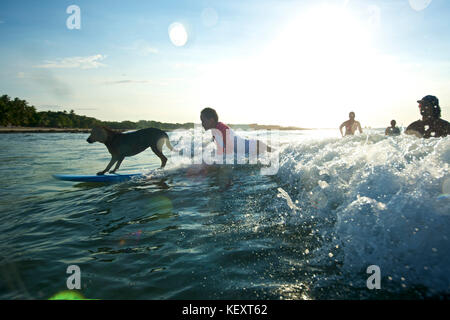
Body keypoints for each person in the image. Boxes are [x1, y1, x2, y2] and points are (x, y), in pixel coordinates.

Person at [200, 107, 273, 158]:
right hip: (250, 146)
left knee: (275, 154)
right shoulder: (214, 130)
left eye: (203, 121)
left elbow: (228, 150)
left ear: (211, 120)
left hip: (254, 146)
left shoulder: (222, 128)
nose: (202, 123)